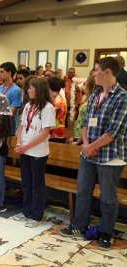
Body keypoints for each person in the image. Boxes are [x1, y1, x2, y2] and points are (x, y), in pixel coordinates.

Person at [59, 57, 127, 251]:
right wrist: (87, 144)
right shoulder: (96, 93)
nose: (93, 73)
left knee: (107, 197)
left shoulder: (122, 97)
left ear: (107, 73)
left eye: (96, 70)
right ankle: (79, 226)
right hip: (89, 153)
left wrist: (92, 146)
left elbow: (115, 130)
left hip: (110, 156)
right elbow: (85, 121)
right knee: (82, 191)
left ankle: (106, 233)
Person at [14, 78, 56, 228]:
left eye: (30, 88)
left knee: (37, 185)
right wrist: (19, 142)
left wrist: (26, 147)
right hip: (24, 150)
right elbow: (21, 125)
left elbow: (45, 132)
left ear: (38, 90)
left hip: (37, 152)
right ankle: (27, 211)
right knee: (26, 183)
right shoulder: (28, 105)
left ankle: (37, 215)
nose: (27, 91)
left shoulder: (48, 108)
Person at [0, 62, 22, 135]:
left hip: (9, 127)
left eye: (2, 72)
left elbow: (11, 111)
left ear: (9, 73)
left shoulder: (16, 90)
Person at [68, 76, 96, 145]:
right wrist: (73, 135)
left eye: (85, 84)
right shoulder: (85, 98)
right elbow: (79, 119)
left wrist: (81, 140)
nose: (83, 87)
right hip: (78, 132)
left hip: (84, 136)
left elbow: (89, 123)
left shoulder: (94, 101)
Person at [48, 77, 67, 143]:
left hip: (56, 134)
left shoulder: (59, 102)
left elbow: (51, 118)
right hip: (53, 133)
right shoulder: (56, 98)